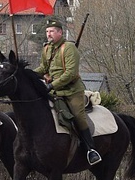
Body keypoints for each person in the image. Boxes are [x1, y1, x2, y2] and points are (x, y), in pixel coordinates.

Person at [34, 18, 101, 166]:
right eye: (47, 31)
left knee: (78, 116)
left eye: (51, 31)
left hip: (71, 91)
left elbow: (70, 73)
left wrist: (52, 86)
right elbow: (43, 69)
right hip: (54, 92)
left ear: (60, 32)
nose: (48, 34)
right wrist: (28, 74)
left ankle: (90, 149)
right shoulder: (47, 49)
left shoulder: (69, 48)